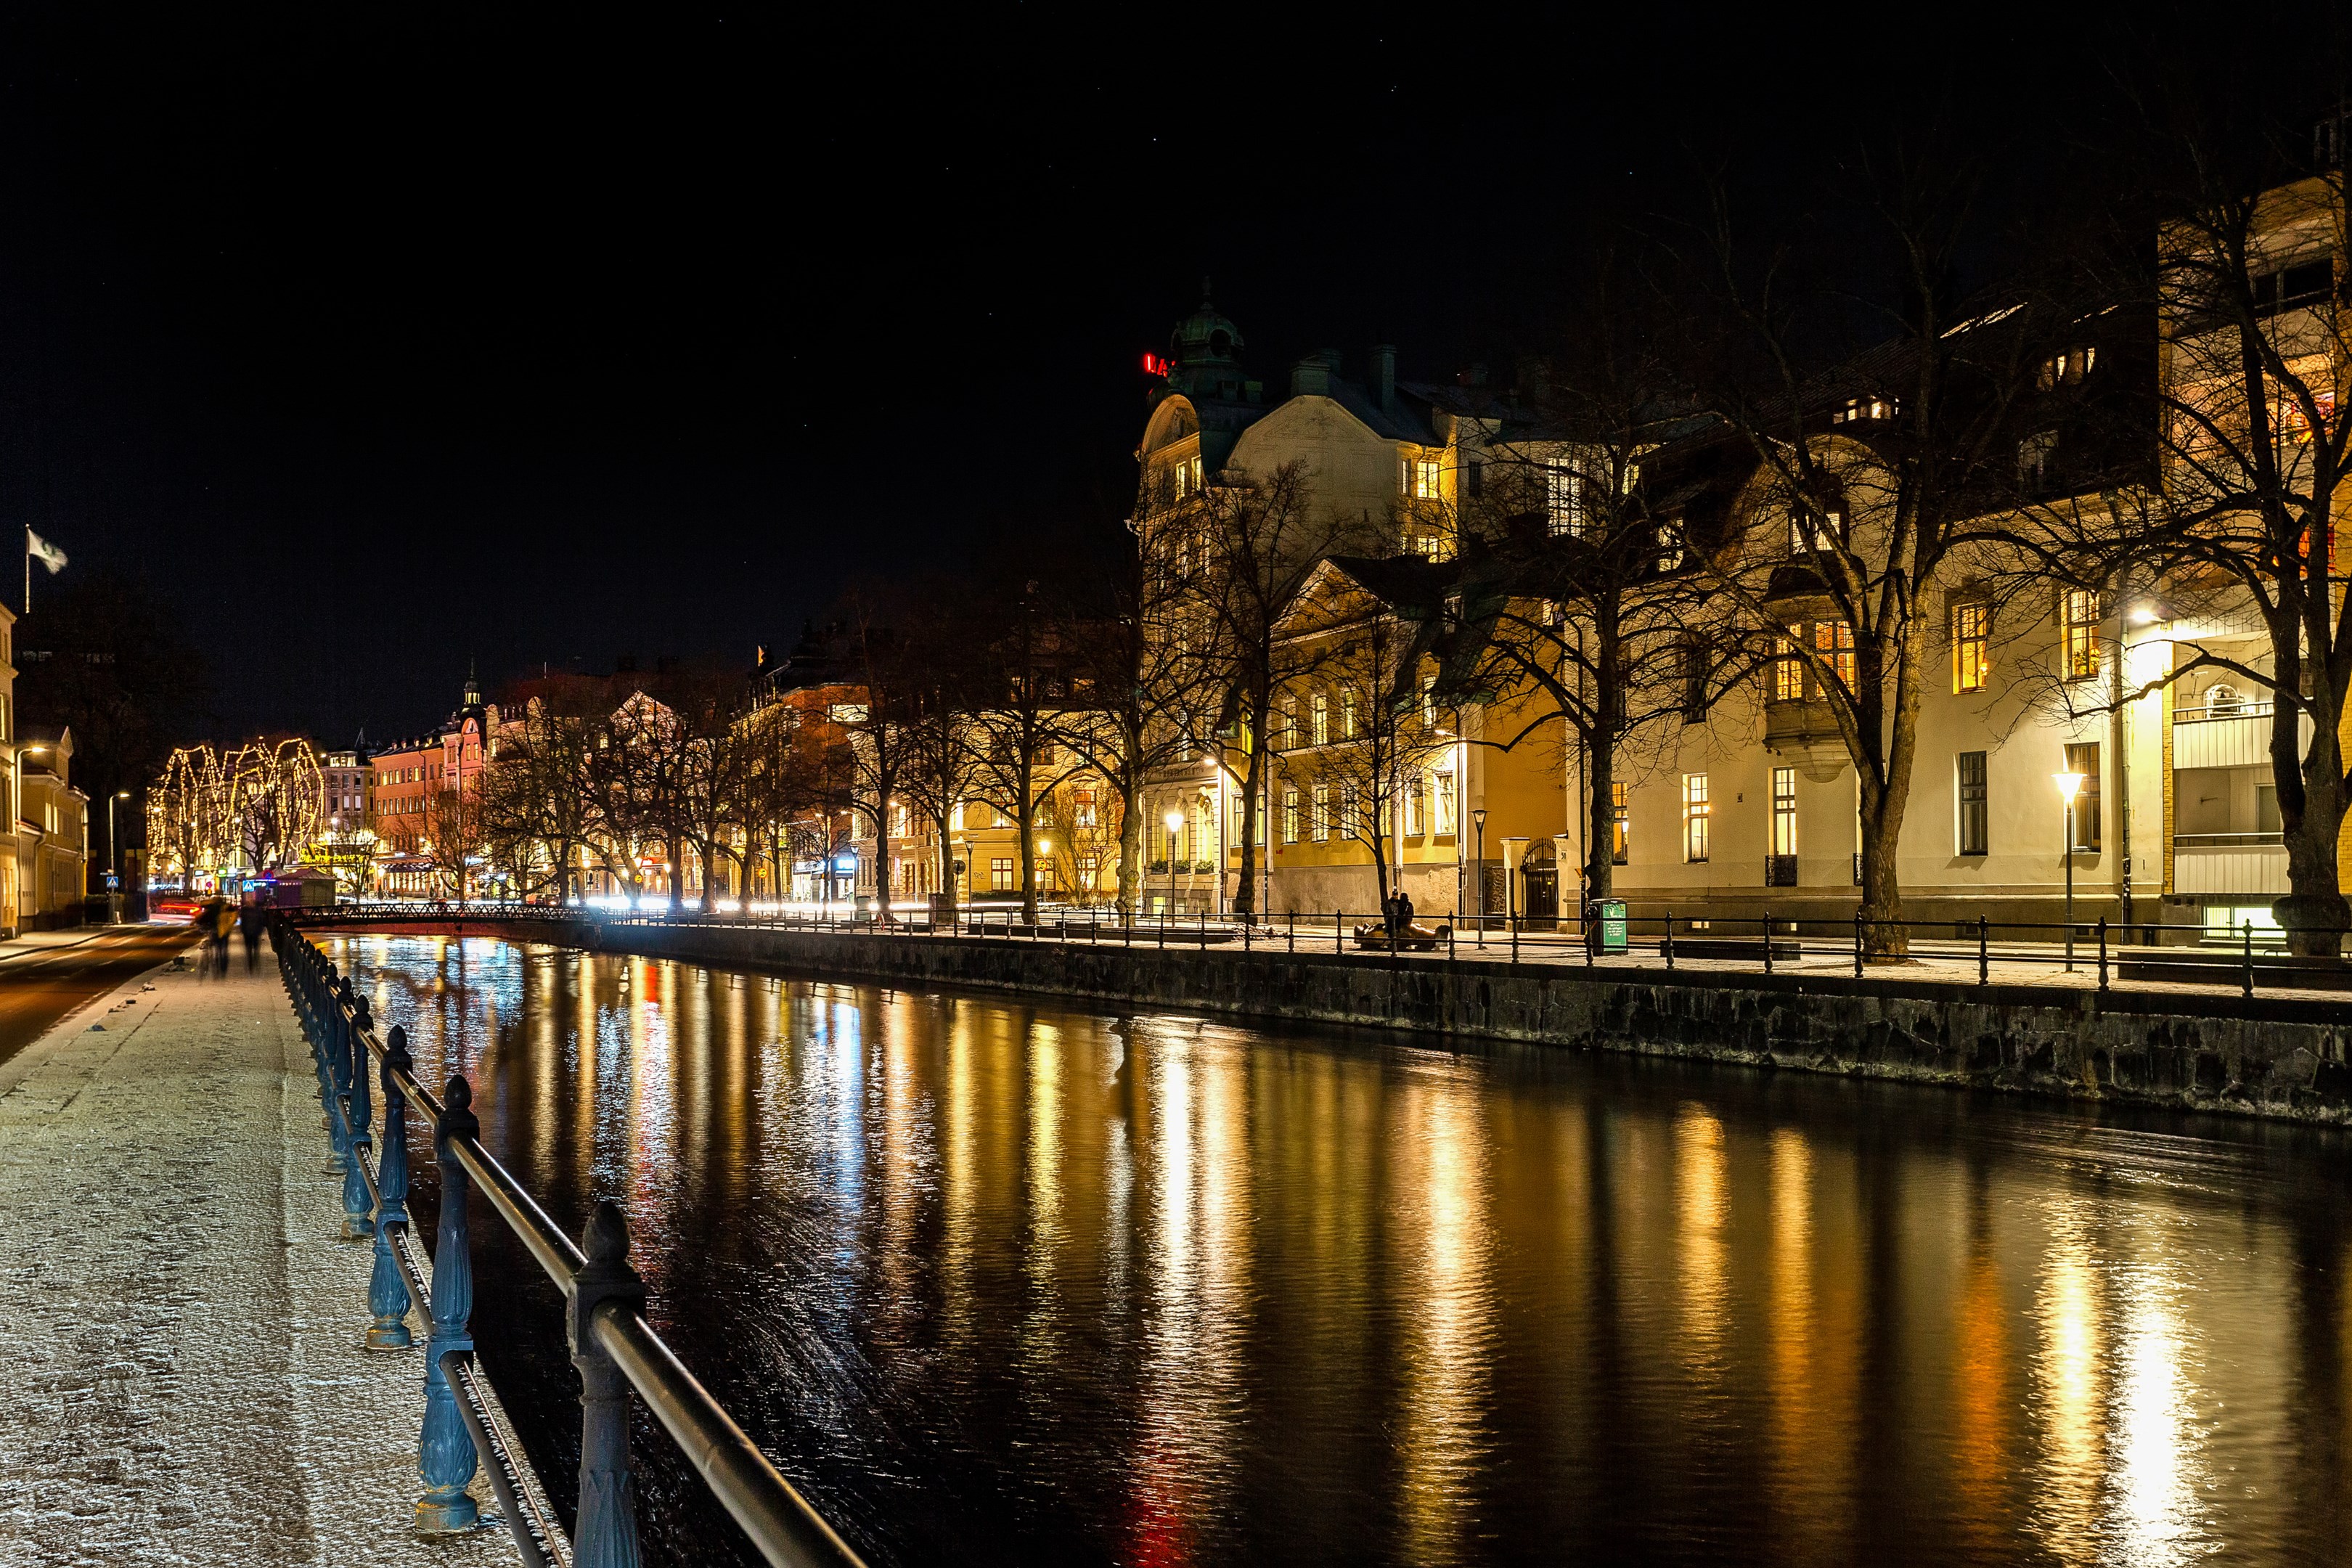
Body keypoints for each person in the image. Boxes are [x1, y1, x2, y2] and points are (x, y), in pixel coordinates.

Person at [237, 891, 266, 973]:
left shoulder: (245, 910)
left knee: (251, 950)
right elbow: (261, 921)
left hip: (250, 932)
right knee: (252, 950)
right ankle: (253, 965)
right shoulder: (256, 910)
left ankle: (252, 966)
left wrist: (243, 930)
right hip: (252, 932)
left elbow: (243, 922)